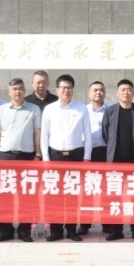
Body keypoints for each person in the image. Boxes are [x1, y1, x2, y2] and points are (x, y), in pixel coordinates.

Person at [40, 73, 92, 241]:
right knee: (54, 195)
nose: (66, 91)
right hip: (55, 155)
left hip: (76, 155)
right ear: (57, 90)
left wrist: (87, 157)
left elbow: (87, 134)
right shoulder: (49, 109)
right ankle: (55, 230)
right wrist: (46, 159)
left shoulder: (81, 108)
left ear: (73, 90)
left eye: (69, 88)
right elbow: (44, 135)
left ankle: (71, 230)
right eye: (63, 88)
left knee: (73, 195)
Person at [0, 78, 42, 242]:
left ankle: (24, 230)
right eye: (14, 89)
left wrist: (38, 154)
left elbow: (37, 133)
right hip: (5, 156)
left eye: (20, 88)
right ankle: (5, 230)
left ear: (25, 91)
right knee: (4, 196)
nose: (17, 91)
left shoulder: (34, 109)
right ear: (9, 92)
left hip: (26, 156)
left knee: (26, 196)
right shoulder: (1, 110)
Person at [102, 79, 134, 242]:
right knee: (115, 198)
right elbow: (105, 134)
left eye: (129, 89)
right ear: (117, 93)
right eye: (122, 90)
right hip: (115, 162)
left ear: (133, 92)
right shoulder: (110, 111)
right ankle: (117, 230)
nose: (126, 92)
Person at [78, 80, 107, 236]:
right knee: (87, 191)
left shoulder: (110, 110)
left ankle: (107, 224)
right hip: (87, 154)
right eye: (95, 90)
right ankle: (85, 224)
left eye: (101, 90)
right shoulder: (83, 110)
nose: (98, 92)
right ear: (89, 93)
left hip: (105, 153)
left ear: (105, 93)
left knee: (106, 190)